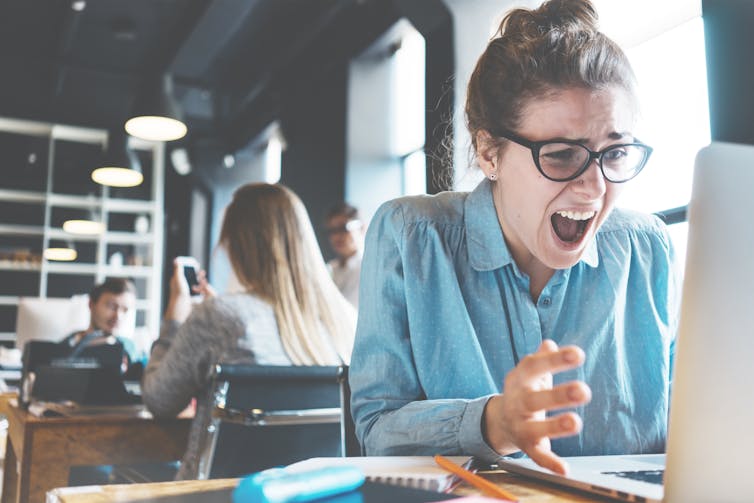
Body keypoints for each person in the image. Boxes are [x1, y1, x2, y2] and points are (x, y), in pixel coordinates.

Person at [349, 0, 678, 476]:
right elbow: (376, 432)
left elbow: (696, 425)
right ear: (488, 152)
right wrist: (495, 422)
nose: (596, 187)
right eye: (562, 154)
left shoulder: (649, 248)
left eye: (616, 152)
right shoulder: (412, 237)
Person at [142, 183, 356, 480]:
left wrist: (174, 319)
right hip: (315, 495)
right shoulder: (346, 321)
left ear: (237, 245)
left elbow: (159, 401)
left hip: (217, 497)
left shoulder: (219, 317)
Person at [59, 277, 139, 370]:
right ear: (91, 304)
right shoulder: (68, 344)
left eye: (125, 310)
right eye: (111, 306)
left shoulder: (129, 349)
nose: (118, 316)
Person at [324, 202, 365, 308]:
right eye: (332, 231)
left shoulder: (369, 268)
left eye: (343, 228)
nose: (337, 237)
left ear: (362, 228)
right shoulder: (329, 268)